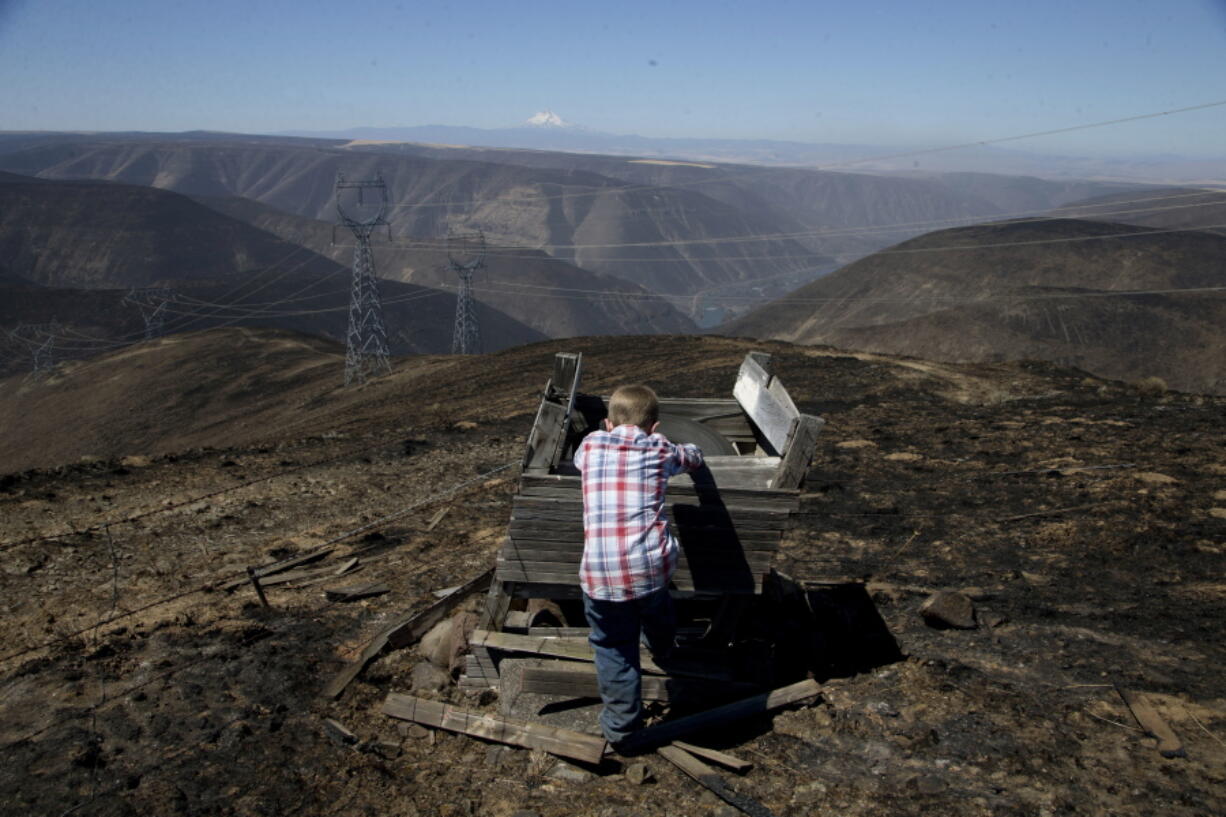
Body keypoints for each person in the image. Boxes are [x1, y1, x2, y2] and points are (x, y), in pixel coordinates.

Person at [573, 384, 704, 749]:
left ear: (606, 422)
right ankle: (663, 647)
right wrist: (687, 450)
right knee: (656, 600)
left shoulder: (592, 445)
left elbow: (580, 461)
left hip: (600, 575)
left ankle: (621, 726)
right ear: (655, 426)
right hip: (651, 568)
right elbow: (692, 455)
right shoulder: (661, 448)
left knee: (613, 646)